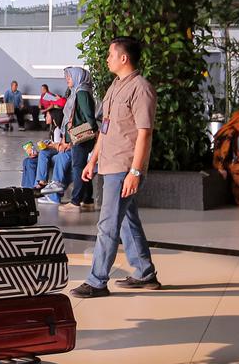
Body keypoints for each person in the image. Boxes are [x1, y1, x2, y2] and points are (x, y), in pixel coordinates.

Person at [72, 37, 161, 298]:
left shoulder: (141, 88)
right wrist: (92, 160)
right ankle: (145, 273)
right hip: (109, 164)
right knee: (127, 222)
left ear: (124, 58)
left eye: (111, 54)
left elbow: (144, 133)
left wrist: (135, 172)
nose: (107, 58)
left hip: (124, 167)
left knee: (108, 224)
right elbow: (106, 128)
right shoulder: (115, 86)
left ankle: (97, 281)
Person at [54, 66, 98, 211]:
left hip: (81, 136)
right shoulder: (79, 91)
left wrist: (93, 130)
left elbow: (89, 116)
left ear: (78, 77)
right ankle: (87, 199)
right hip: (80, 136)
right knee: (83, 166)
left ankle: (75, 201)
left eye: (70, 77)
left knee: (78, 167)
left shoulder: (81, 92)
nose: (67, 79)